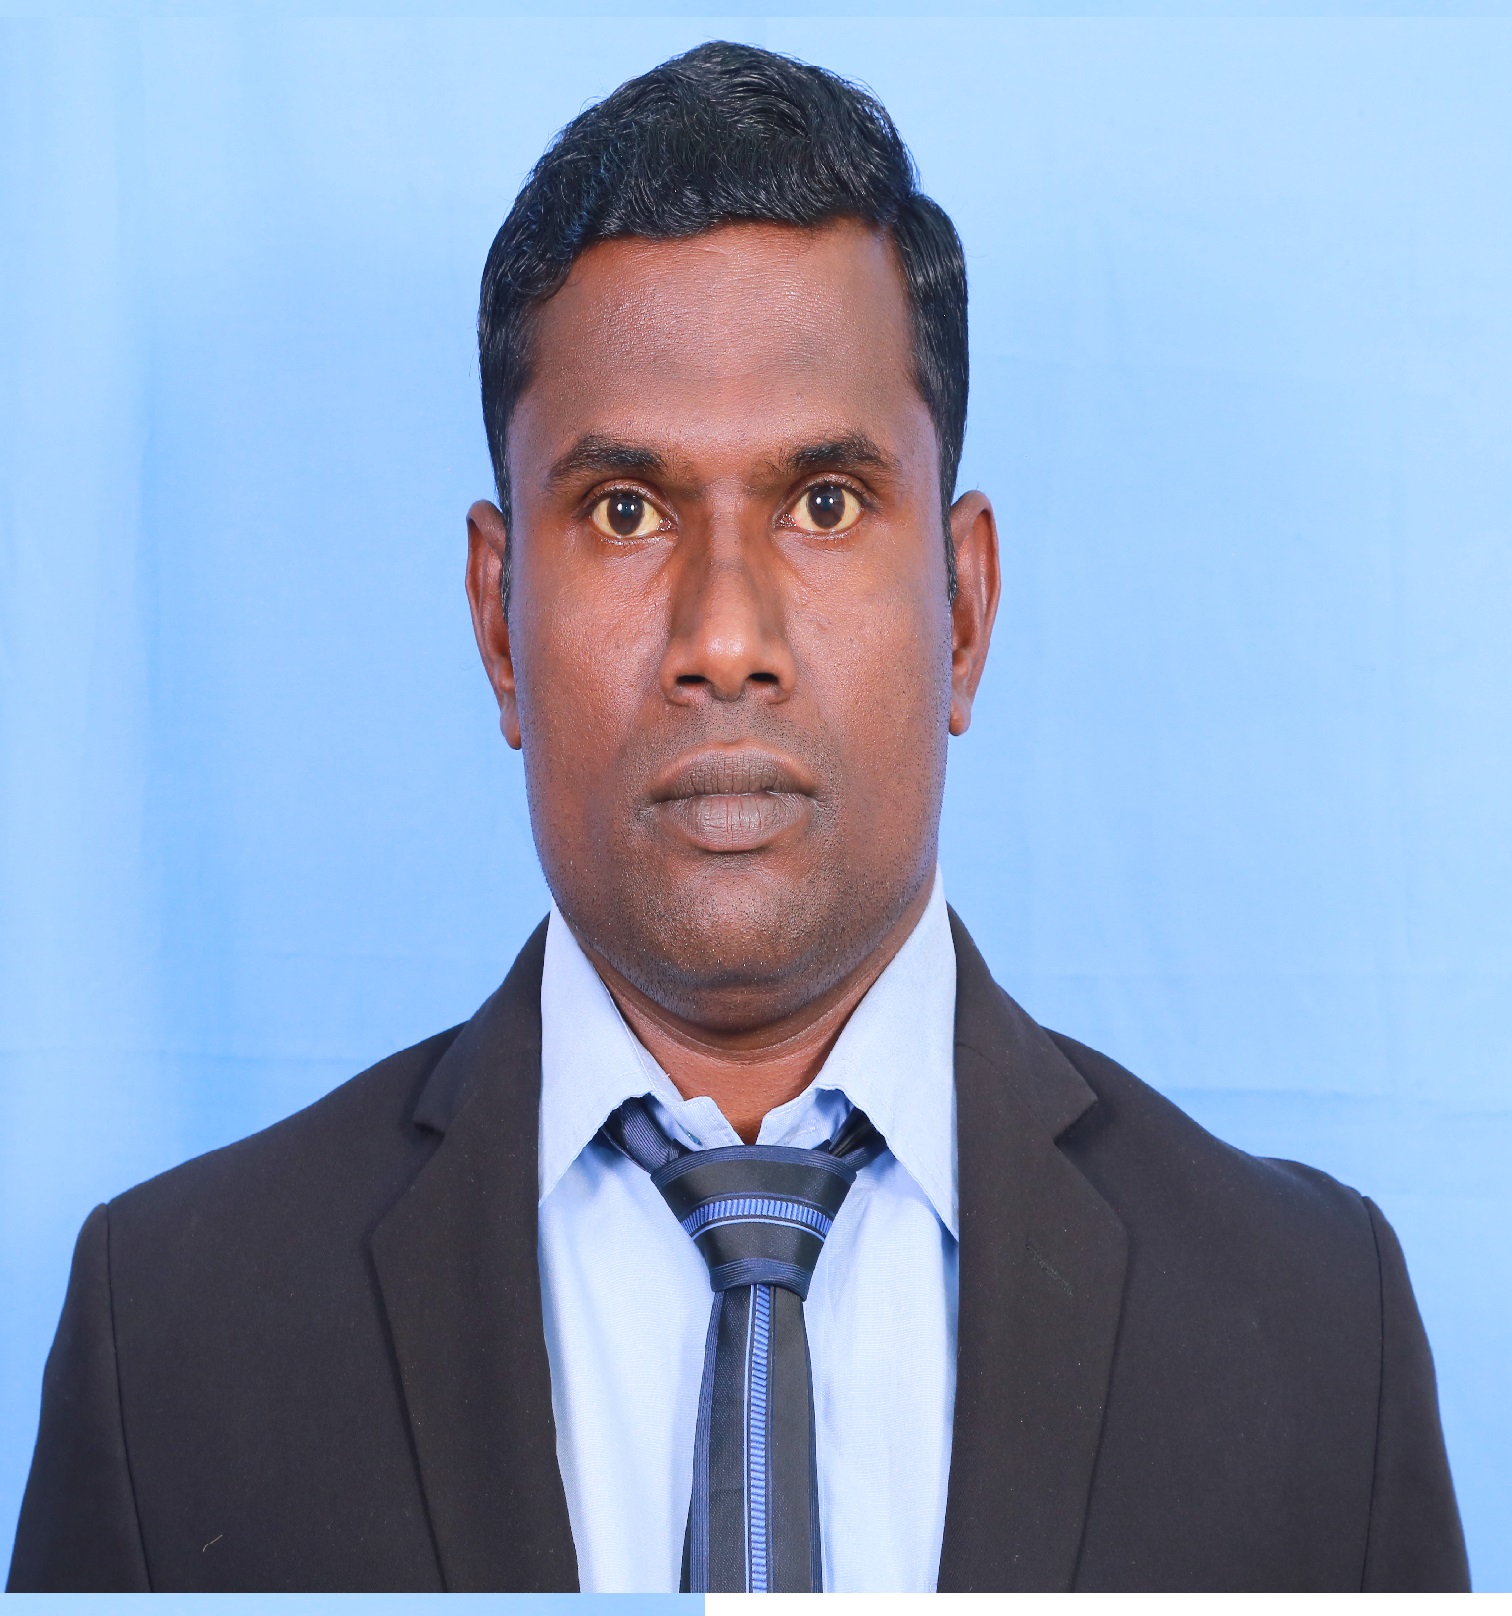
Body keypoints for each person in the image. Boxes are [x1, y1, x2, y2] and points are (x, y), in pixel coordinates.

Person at [7, 41, 1469, 1594]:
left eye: (825, 503)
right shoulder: (169, 1339)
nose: (722, 635)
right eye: (625, 510)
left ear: (965, 612)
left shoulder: (1321, 1332)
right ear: (499, 624)